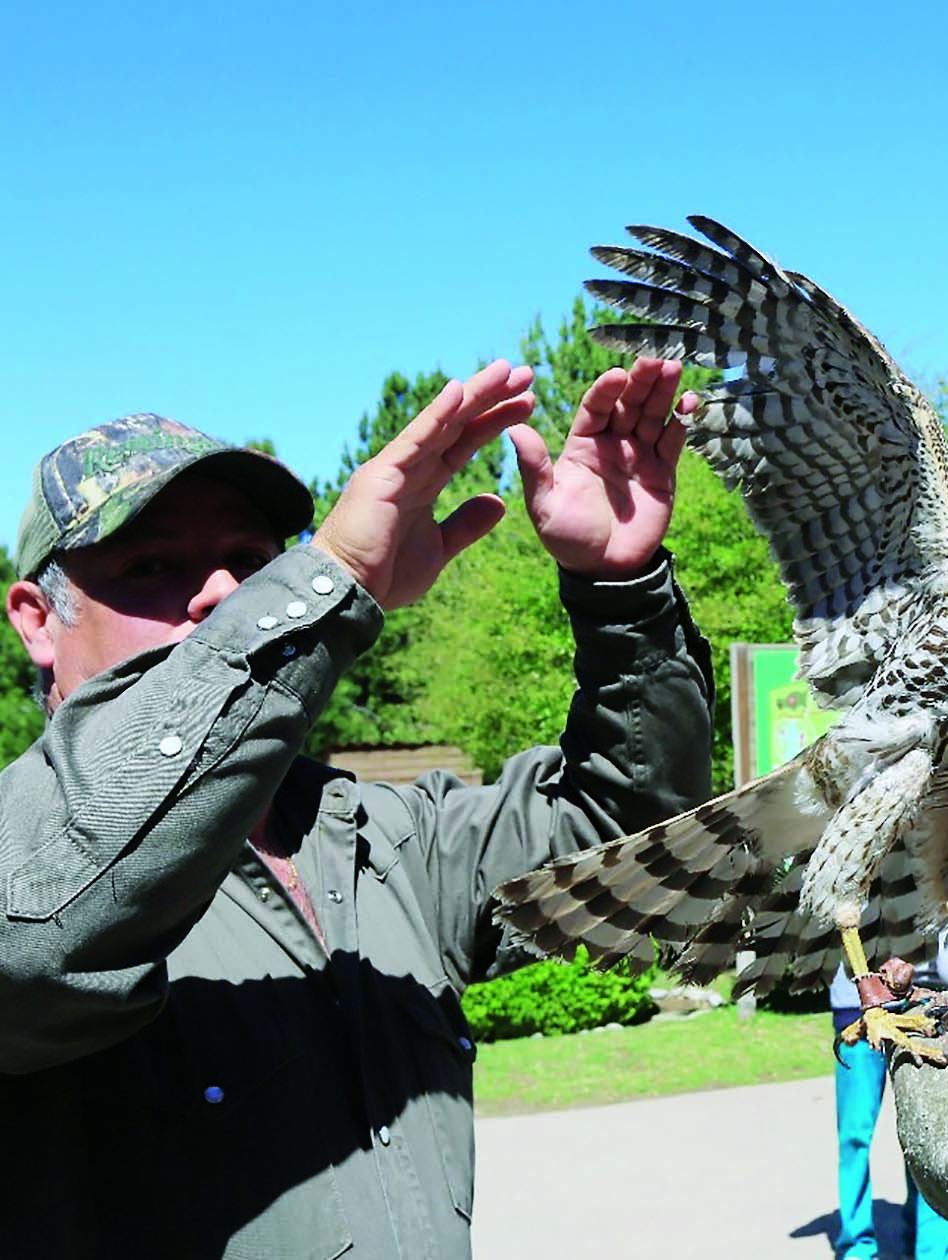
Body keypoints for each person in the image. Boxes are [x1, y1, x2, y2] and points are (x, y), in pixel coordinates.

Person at [0, 359, 714, 1258]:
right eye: (152, 566)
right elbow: (29, 942)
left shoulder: (380, 837)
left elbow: (630, 842)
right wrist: (325, 576)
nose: (224, 595)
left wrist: (622, 591)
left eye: (254, 565)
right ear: (35, 616)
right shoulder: (21, 853)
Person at [831, 918, 948, 1260]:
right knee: (862, 1134)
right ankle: (860, 1246)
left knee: (926, 1134)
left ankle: (929, 1248)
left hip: (923, 1008)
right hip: (858, 1006)